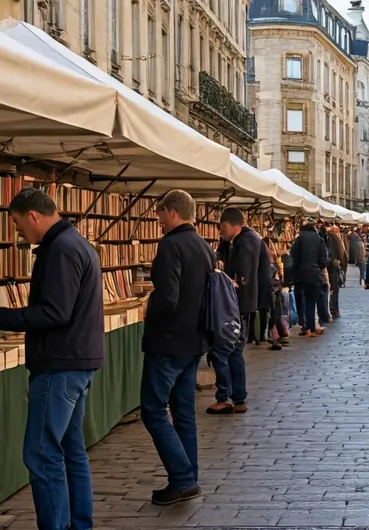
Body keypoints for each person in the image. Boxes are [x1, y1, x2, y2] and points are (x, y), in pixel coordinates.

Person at [0, 188, 104, 530]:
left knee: (43, 454)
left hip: (59, 364)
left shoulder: (59, 250)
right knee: (71, 450)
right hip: (77, 359)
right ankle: (79, 524)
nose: (18, 232)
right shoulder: (79, 244)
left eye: (18, 224)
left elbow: (55, 312)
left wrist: (0, 317)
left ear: (33, 215)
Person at [139, 190, 212, 506]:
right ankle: (188, 476)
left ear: (171, 212)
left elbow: (167, 298)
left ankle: (182, 478)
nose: (157, 218)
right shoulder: (203, 246)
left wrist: (149, 304)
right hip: (194, 340)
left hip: (168, 341)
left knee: (153, 409)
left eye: (159, 213)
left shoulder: (170, 246)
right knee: (183, 412)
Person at [206, 208, 266, 416]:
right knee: (233, 351)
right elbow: (221, 254)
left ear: (232, 225)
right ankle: (237, 397)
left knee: (224, 351)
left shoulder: (247, 242)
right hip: (239, 305)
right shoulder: (237, 241)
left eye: (222, 227)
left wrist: (231, 283)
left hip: (236, 306)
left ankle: (228, 397)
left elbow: (244, 275)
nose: (220, 232)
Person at [289, 219, 329, 337]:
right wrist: (318, 267)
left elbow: (293, 256)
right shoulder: (319, 239)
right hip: (314, 274)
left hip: (300, 274)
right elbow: (323, 259)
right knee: (311, 300)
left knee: (300, 299)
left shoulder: (299, 239)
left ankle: (304, 325)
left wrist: (295, 271)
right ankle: (310, 326)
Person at [263, 237, 289, 350]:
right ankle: (279, 335)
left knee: (272, 313)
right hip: (276, 286)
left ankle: (274, 337)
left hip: (270, 286)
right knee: (276, 312)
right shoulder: (273, 255)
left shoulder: (265, 255)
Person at [326, 225, 348, 318]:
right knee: (334, 289)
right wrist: (343, 267)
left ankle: (332, 308)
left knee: (332, 288)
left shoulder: (330, 237)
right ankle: (334, 308)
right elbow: (342, 254)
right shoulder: (336, 238)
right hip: (335, 266)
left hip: (331, 266)